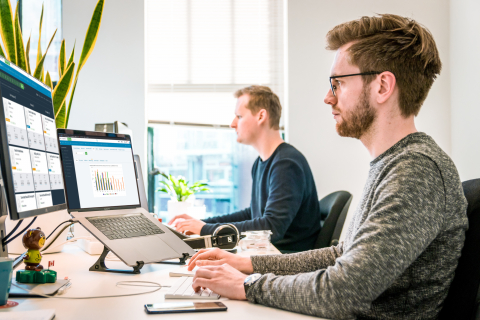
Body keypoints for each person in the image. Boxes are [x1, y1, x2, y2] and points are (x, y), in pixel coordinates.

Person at [186, 14, 468, 319]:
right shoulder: (394, 164)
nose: (327, 97)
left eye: (337, 84)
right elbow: (342, 255)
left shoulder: (416, 171)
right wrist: (249, 264)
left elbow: (342, 291)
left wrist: (248, 284)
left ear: (383, 86)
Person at [169, 85, 321, 252]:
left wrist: (205, 230)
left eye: (239, 116)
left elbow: (271, 229)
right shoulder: (261, 163)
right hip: (267, 254)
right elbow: (253, 214)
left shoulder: (286, 164)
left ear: (261, 116)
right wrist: (203, 223)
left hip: (285, 261)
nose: (232, 124)